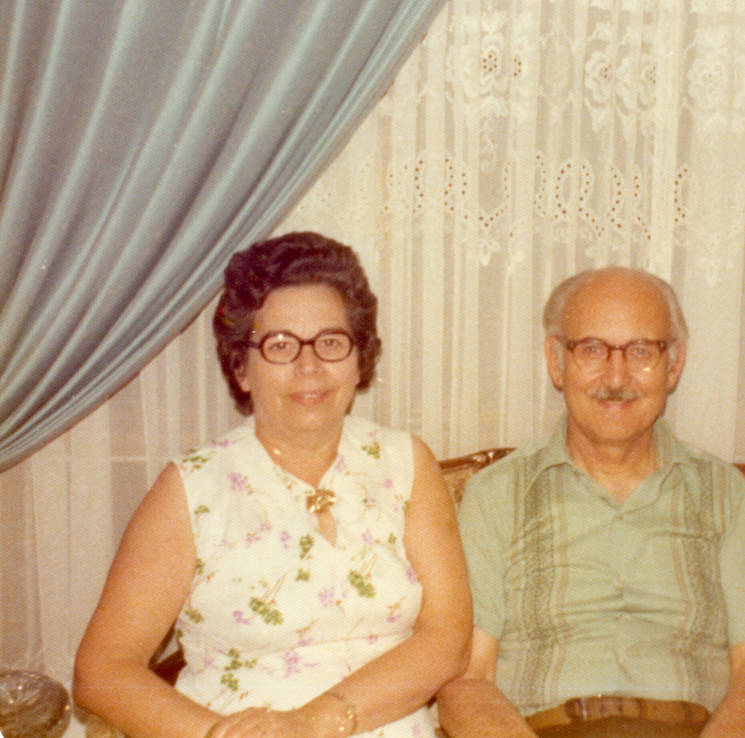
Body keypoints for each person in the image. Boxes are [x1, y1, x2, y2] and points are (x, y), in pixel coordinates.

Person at [74, 232, 472, 738]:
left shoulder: (407, 463)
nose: (310, 367)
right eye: (280, 345)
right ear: (242, 368)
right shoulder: (192, 489)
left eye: (330, 342)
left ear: (358, 358)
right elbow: (102, 670)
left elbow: (448, 638)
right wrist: (218, 736)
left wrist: (314, 722)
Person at [437, 267, 745, 738]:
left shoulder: (724, 493)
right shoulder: (496, 495)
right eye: (592, 350)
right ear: (556, 361)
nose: (616, 376)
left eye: (641, 351)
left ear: (674, 364)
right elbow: (468, 680)